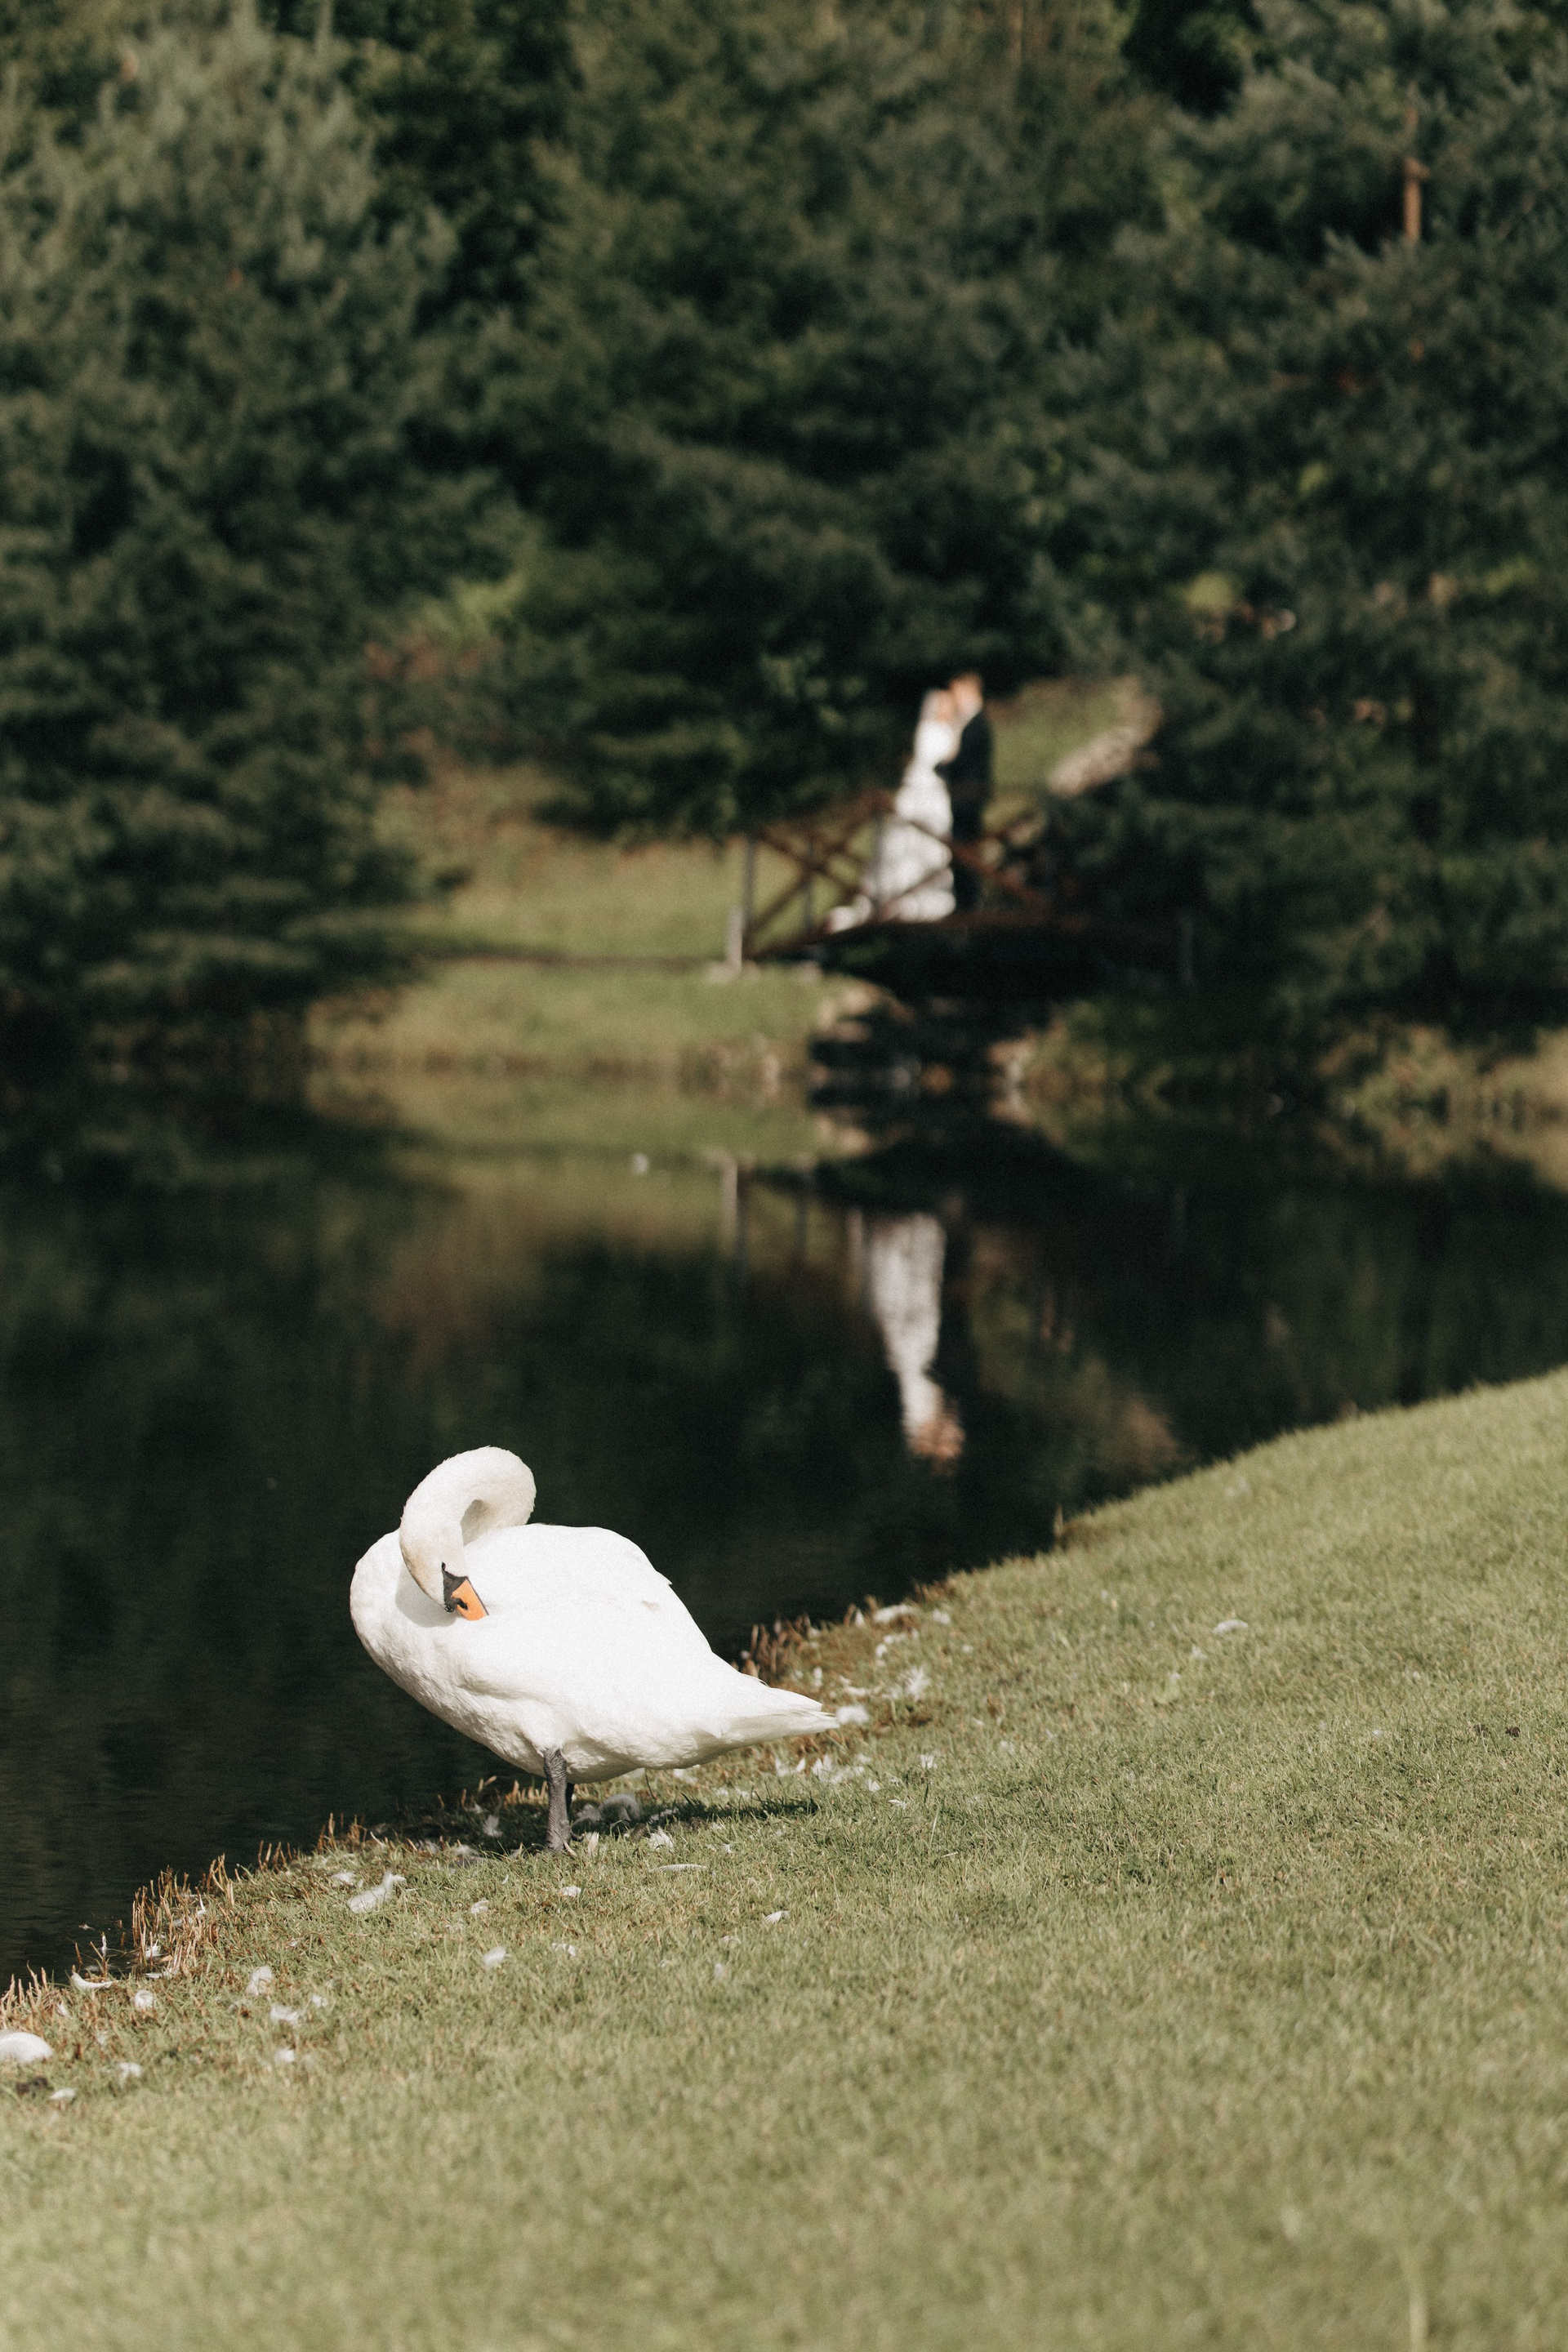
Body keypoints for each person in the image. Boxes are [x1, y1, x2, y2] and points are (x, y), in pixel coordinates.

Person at [827, 688, 956, 929]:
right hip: (925, 791)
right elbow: (939, 757)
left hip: (933, 792)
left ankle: (922, 893)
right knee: (911, 838)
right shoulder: (931, 729)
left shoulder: (940, 728)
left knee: (928, 840)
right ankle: (900, 895)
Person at [937, 671, 992, 914]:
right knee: (963, 851)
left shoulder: (977, 723)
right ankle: (965, 902)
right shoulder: (972, 722)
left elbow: (966, 763)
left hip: (967, 799)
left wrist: (943, 767)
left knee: (965, 851)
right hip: (964, 798)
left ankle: (968, 905)